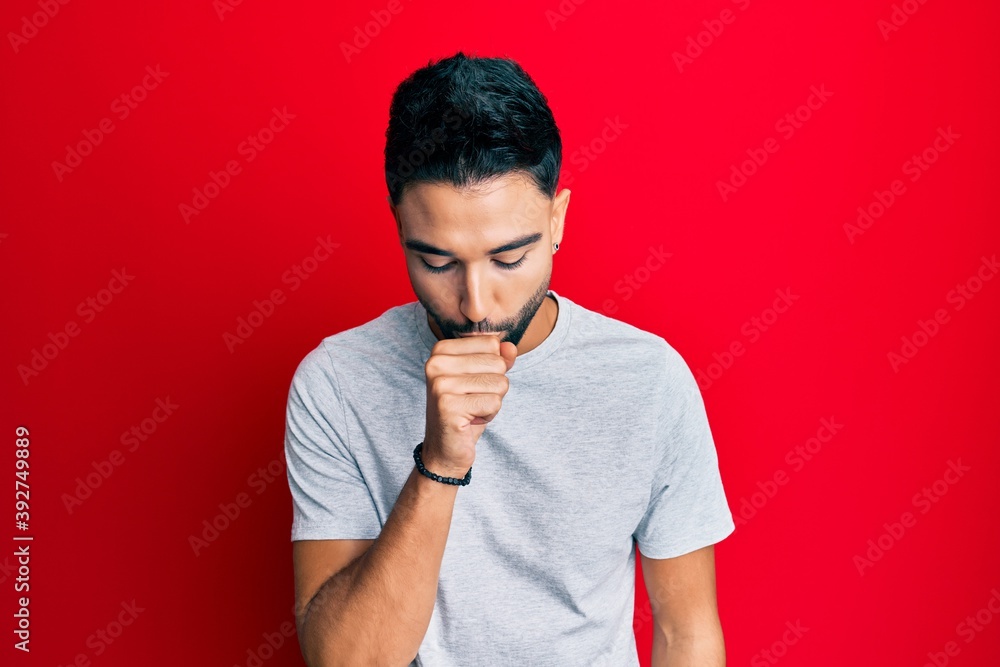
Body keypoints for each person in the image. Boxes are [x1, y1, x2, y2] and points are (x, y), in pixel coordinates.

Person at [284, 50, 735, 666]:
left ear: (557, 221)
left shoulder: (648, 380)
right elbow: (345, 662)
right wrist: (441, 463)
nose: (475, 305)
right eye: (438, 262)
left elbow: (687, 632)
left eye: (508, 259)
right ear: (399, 229)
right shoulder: (335, 383)